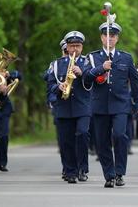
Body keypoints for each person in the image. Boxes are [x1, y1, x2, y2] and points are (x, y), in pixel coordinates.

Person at [83, 22, 138, 188]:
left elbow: (136, 82)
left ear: (117, 38)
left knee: (120, 135)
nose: (109, 38)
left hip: (120, 105)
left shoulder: (126, 57)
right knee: (102, 142)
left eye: (113, 35)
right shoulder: (92, 57)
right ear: (101, 37)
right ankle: (109, 175)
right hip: (100, 105)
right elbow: (85, 78)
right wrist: (100, 68)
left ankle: (119, 173)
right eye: (106, 35)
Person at [48, 31, 92, 184]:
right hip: (64, 106)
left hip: (83, 106)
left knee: (82, 133)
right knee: (66, 141)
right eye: (72, 46)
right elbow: (50, 84)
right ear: (66, 47)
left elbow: (93, 82)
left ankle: (82, 169)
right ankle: (70, 171)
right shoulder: (56, 64)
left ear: (82, 46)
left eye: (78, 46)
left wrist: (82, 73)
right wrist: (58, 87)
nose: (75, 49)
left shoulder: (88, 62)